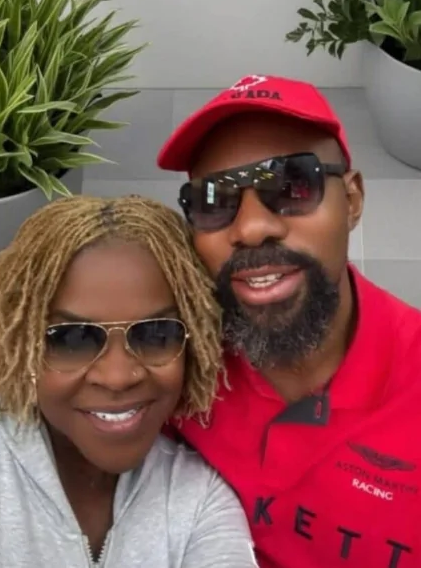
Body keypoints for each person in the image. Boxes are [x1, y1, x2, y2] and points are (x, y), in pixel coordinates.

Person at [157, 74, 421, 568]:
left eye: (292, 185)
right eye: (215, 200)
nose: (252, 228)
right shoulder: (169, 358)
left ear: (353, 200)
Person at [0, 195, 258, 568]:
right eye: (73, 338)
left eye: (156, 334)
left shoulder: (199, 501)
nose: (117, 377)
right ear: (22, 342)